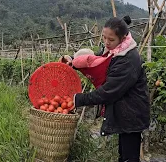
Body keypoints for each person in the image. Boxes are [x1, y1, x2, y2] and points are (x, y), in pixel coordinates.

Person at [60, 16, 150, 162]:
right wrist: (73, 60)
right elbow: (94, 60)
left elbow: (108, 92)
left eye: (111, 39)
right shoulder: (114, 50)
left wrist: (78, 99)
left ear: (122, 38)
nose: (107, 43)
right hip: (124, 111)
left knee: (129, 158)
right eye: (104, 37)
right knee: (124, 155)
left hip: (132, 114)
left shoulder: (128, 59)